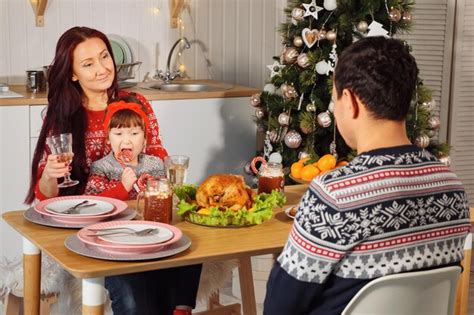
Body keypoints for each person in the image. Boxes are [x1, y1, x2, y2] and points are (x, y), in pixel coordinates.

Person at [263, 37, 471, 314]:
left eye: (335, 98)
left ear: (349, 101)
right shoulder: (452, 188)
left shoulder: (335, 195)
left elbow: (279, 307)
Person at [25, 26, 201, 315]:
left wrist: (146, 179)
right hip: (93, 229)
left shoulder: (136, 103)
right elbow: (46, 199)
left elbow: (158, 157)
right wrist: (49, 175)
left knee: (188, 247)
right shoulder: (61, 115)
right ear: (72, 74)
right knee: (135, 298)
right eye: (88, 64)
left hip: (140, 215)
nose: (102, 68)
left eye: (104, 56)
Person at [85, 99, 165, 199]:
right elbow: (93, 204)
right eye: (118, 134)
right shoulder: (101, 168)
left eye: (134, 133)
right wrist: (123, 187)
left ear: (144, 139)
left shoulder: (155, 165)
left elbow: (163, 198)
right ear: (108, 139)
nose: (126, 141)